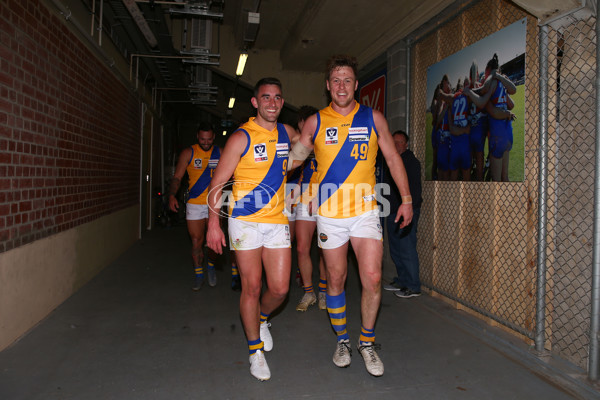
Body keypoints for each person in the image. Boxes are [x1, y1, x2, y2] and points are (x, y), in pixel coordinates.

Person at [288, 55, 413, 377]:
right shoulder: (316, 122)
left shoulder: (374, 118)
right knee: (337, 279)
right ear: (328, 86)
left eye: (348, 80)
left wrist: (406, 198)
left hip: (365, 211)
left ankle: (366, 343)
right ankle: (343, 339)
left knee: (372, 278)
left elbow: (393, 159)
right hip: (329, 214)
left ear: (356, 85)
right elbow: (293, 159)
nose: (342, 86)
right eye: (336, 80)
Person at [206, 77, 297, 381]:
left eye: (278, 98)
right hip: (243, 220)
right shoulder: (241, 138)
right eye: (266, 97)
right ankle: (254, 351)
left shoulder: (288, 132)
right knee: (252, 287)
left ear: (282, 103)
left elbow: (296, 158)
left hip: (277, 221)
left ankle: (261, 319)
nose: (272, 103)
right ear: (256, 102)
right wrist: (213, 225)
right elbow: (217, 183)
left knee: (281, 289)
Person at [168, 122, 221, 290]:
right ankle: (199, 274)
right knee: (196, 241)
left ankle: (211, 266)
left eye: (209, 139)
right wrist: (171, 195)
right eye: (202, 139)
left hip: (215, 203)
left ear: (214, 138)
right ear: (197, 137)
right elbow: (177, 177)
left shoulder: (220, 153)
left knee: (213, 242)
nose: (206, 142)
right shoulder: (188, 153)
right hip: (195, 203)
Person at [292, 105, 328, 312]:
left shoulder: (327, 141)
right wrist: (294, 192)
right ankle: (309, 293)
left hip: (326, 201)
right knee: (302, 248)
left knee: (324, 250)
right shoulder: (300, 145)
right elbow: (302, 173)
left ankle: (323, 292)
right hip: (305, 202)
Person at [382, 131, 423, 298]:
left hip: (405, 211)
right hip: (392, 210)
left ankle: (413, 286)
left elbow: (412, 189)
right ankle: (403, 281)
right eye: (394, 142)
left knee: (406, 247)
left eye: (400, 142)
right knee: (396, 248)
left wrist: (409, 208)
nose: (397, 145)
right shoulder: (391, 161)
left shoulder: (410, 161)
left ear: (406, 144)